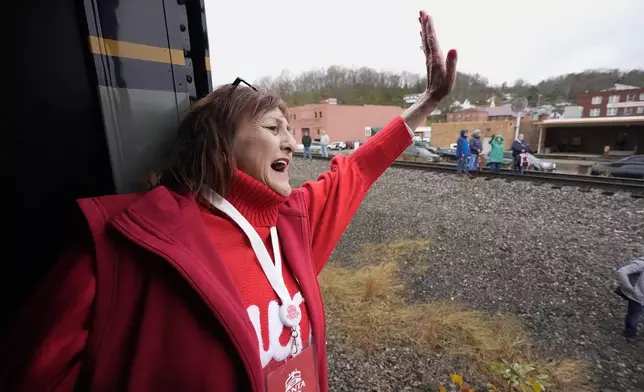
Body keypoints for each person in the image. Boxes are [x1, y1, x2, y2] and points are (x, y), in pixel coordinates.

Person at [0, 10, 457, 392]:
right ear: (221, 142)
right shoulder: (122, 247)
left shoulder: (296, 225)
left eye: (290, 132)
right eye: (273, 128)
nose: (292, 146)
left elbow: (356, 169)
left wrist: (427, 102)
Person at [616, 257, 644, 342]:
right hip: (638, 298)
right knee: (633, 317)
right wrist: (629, 287)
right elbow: (622, 271)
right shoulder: (641, 264)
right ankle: (629, 334)